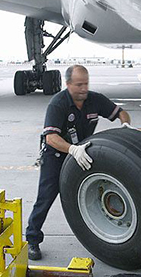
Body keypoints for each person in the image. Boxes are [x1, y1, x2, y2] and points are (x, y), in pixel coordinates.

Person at [25, 65, 132, 260]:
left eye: (86, 84)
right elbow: (51, 137)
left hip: (83, 153)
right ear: (68, 84)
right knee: (46, 197)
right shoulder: (58, 104)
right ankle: (32, 239)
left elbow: (120, 112)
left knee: (88, 195)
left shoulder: (95, 100)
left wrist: (125, 125)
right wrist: (72, 149)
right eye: (79, 84)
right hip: (57, 155)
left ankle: (99, 234)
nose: (84, 88)